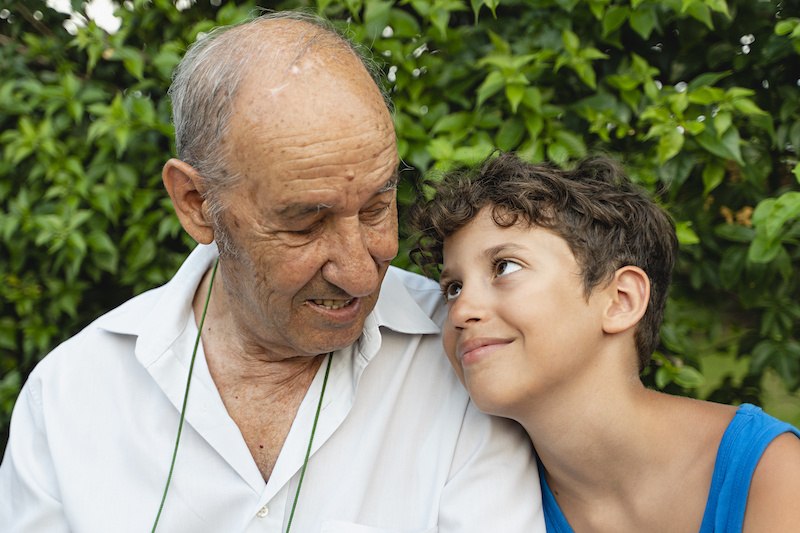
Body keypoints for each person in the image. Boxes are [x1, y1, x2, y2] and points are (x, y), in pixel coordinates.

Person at [0, 14, 545, 533]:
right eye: (307, 223)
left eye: (378, 207)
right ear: (195, 203)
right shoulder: (69, 395)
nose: (359, 272)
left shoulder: (471, 356)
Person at [409, 152, 800, 533]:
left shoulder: (770, 473)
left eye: (504, 267)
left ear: (620, 300)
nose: (459, 313)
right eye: (454, 288)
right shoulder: (481, 493)